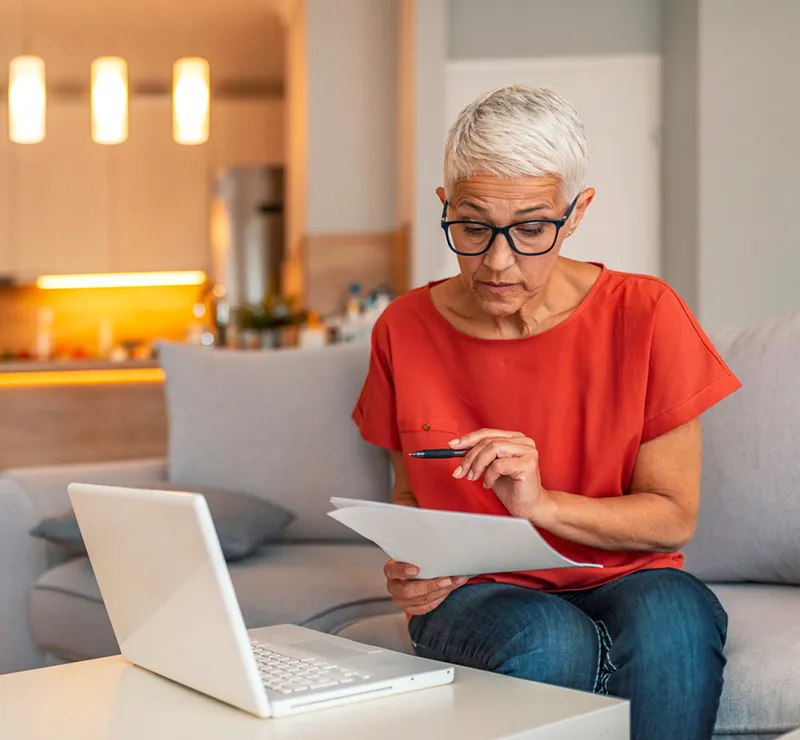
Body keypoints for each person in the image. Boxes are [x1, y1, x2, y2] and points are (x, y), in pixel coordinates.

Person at [351, 85, 741, 740]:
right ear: (445, 207)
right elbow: (407, 496)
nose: (497, 262)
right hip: (473, 590)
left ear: (576, 212)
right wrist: (411, 565)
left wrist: (541, 506)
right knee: (549, 637)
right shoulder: (402, 329)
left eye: (531, 229)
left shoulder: (646, 315)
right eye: (473, 227)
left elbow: (673, 518)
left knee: (675, 620)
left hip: (628, 576)